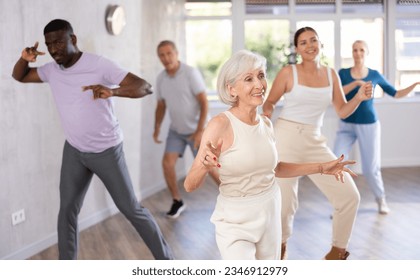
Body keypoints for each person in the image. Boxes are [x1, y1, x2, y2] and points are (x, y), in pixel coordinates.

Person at [11, 19, 173, 260]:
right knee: (67, 210)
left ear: (72, 40)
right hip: (75, 150)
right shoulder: (51, 70)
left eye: (58, 42)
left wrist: (113, 91)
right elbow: (20, 76)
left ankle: (167, 262)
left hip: (106, 150)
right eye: (48, 44)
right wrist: (24, 58)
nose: (53, 49)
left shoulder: (99, 65)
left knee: (131, 209)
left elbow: (144, 87)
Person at [184, 50, 358, 260]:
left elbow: (274, 169)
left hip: (270, 212)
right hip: (235, 221)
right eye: (248, 79)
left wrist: (322, 167)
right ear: (231, 90)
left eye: (261, 76)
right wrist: (203, 165)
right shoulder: (220, 125)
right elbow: (189, 185)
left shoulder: (266, 124)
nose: (259, 84)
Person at [262, 27, 373, 260]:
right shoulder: (287, 73)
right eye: (303, 42)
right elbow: (270, 102)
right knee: (284, 206)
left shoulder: (331, 74)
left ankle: (337, 251)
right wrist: (264, 117)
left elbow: (342, 111)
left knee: (349, 196)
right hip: (286, 138)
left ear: (320, 43)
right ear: (297, 49)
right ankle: (280, 247)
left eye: (313, 40)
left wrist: (359, 98)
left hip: (315, 140)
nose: (310, 45)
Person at [333, 40, 420, 215]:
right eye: (355, 50)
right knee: (336, 162)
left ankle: (381, 199)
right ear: (352, 52)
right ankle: (340, 205)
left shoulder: (374, 74)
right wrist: (357, 84)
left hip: (368, 124)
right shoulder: (342, 73)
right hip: (346, 124)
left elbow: (395, 94)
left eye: (361, 50)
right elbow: (337, 92)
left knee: (370, 169)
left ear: (366, 53)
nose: (358, 53)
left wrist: (416, 85)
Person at [153, 40, 219, 219]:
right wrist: (157, 127)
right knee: (167, 163)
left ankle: (233, 201)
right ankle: (177, 201)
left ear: (176, 53)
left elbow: (204, 102)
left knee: (211, 167)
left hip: (199, 129)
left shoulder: (190, 73)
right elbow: (161, 105)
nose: (166, 58)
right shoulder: (161, 78)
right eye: (162, 55)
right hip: (177, 131)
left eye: (169, 53)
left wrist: (199, 131)